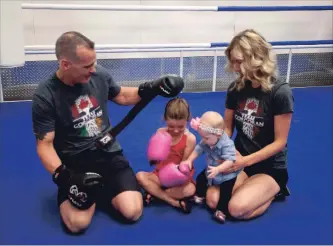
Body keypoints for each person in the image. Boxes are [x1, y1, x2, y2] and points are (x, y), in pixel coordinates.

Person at [31, 31, 184, 234]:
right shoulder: (46, 95)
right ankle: (95, 190)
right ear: (65, 64)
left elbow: (121, 95)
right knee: (77, 225)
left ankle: (101, 189)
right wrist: (64, 177)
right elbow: (45, 144)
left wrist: (152, 87)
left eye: (94, 63)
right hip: (75, 163)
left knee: (133, 211)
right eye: (87, 66)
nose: (93, 70)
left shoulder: (98, 74)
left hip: (108, 154)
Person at [221, 29, 294, 220]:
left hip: (270, 167)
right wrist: (222, 147)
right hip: (240, 161)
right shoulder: (235, 89)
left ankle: (275, 190)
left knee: (236, 209)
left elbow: (280, 142)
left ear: (256, 58)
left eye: (239, 61)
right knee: (213, 200)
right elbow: (227, 129)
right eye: (233, 61)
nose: (235, 67)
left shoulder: (280, 92)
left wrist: (246, 161)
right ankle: (251, 186)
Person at [136, 97, 196, 213]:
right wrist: (153, 159)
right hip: (160, 175)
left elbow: (184, 166)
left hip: (179, 180)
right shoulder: (160, 132)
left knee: (190, 190)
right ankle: (173, 202)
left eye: (180, 127)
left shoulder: (190, 139)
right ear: (165, 119)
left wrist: (176, 174)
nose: (176, 131)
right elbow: (154, 161)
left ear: (187, 120)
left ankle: (154, 194)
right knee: (139, 176)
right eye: (171, 126)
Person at [181, 111, 240, 223]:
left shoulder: (227, 144)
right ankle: (200, 195)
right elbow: (199, 149)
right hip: (212, 168)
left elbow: (230, 161)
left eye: (206, 138)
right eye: (202, 137)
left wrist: (218, 169)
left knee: (225, 192)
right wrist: (189, 160)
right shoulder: (207, 139)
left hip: (227, 174)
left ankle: (222, 211)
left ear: (218, 135)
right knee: (200, 179)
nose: (204, 140)